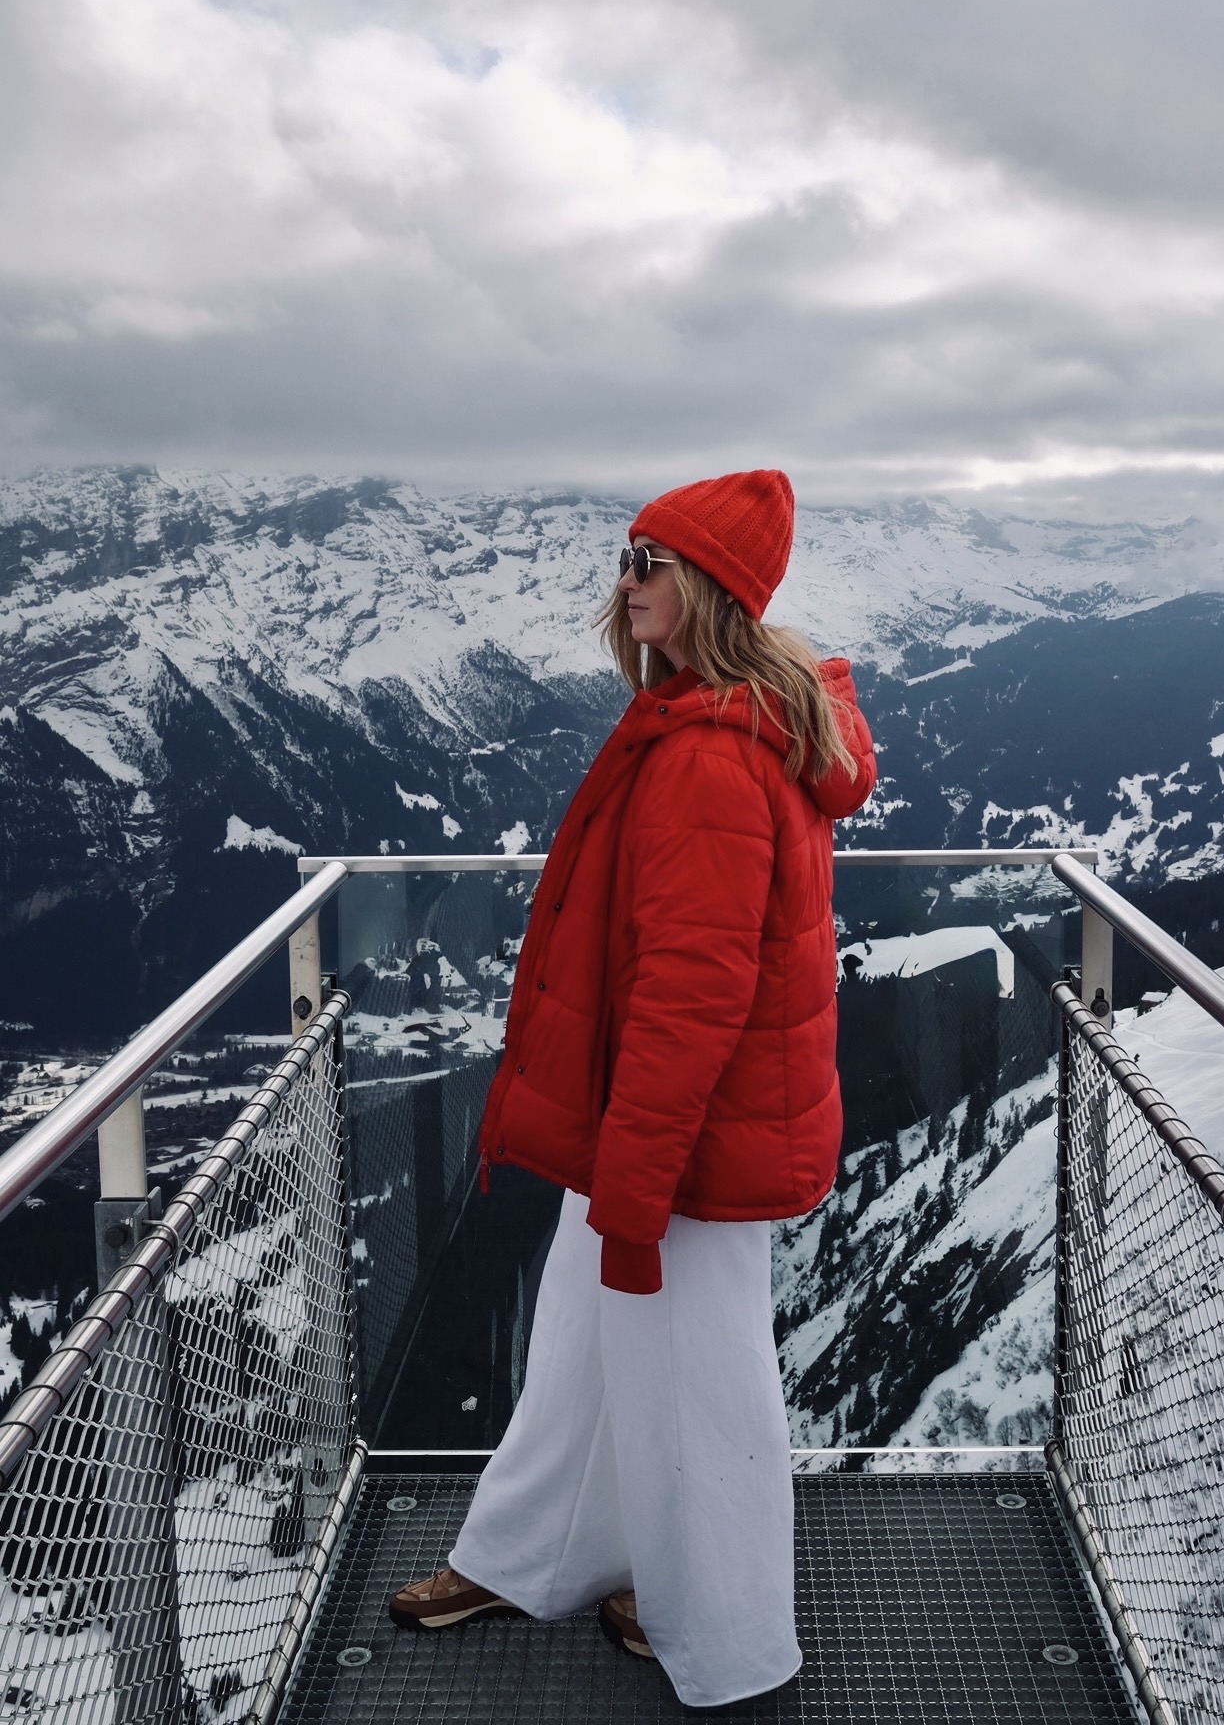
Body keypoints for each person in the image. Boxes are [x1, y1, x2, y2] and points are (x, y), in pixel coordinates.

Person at [388, 469, 876, 1708]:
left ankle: (720, 1627)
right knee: (585, 1340)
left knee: (700, 1384)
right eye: (629, 552)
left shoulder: (712, 758)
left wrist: (640, 1183)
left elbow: (691, 995)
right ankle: (535, 1554)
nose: (631, 578)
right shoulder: (712, 719)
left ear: (712, 585)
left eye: (656, 560)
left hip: (685, 1142)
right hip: (654, 1128)